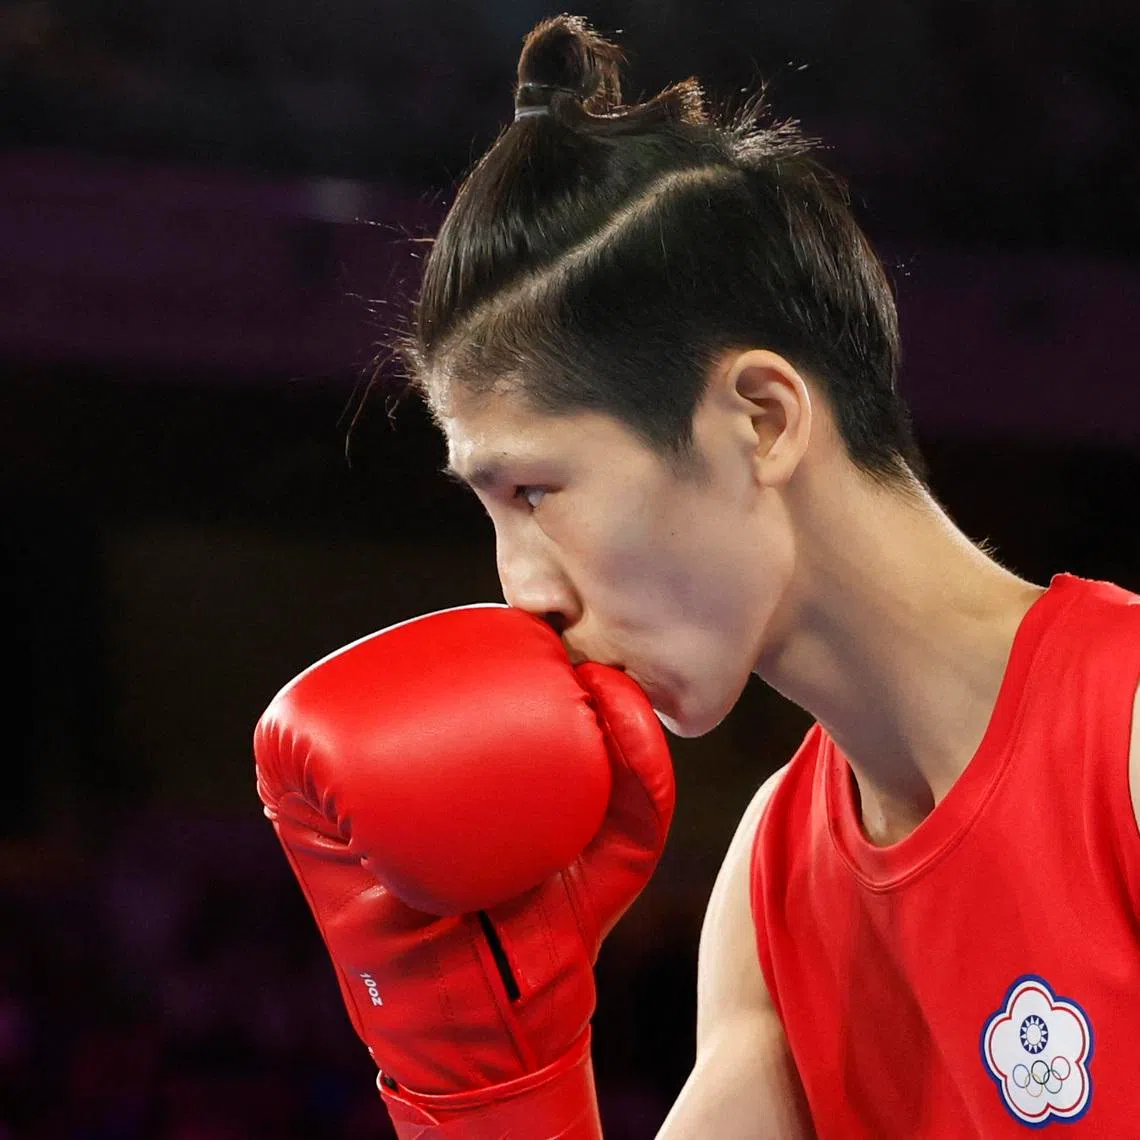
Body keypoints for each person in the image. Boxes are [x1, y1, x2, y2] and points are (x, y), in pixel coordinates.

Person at [258, 14, 1140, 1138]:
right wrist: (487, 1087)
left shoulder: (1128, 740)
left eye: (535, 491)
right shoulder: (771, 892)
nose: (522, 590)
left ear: (760, 420)